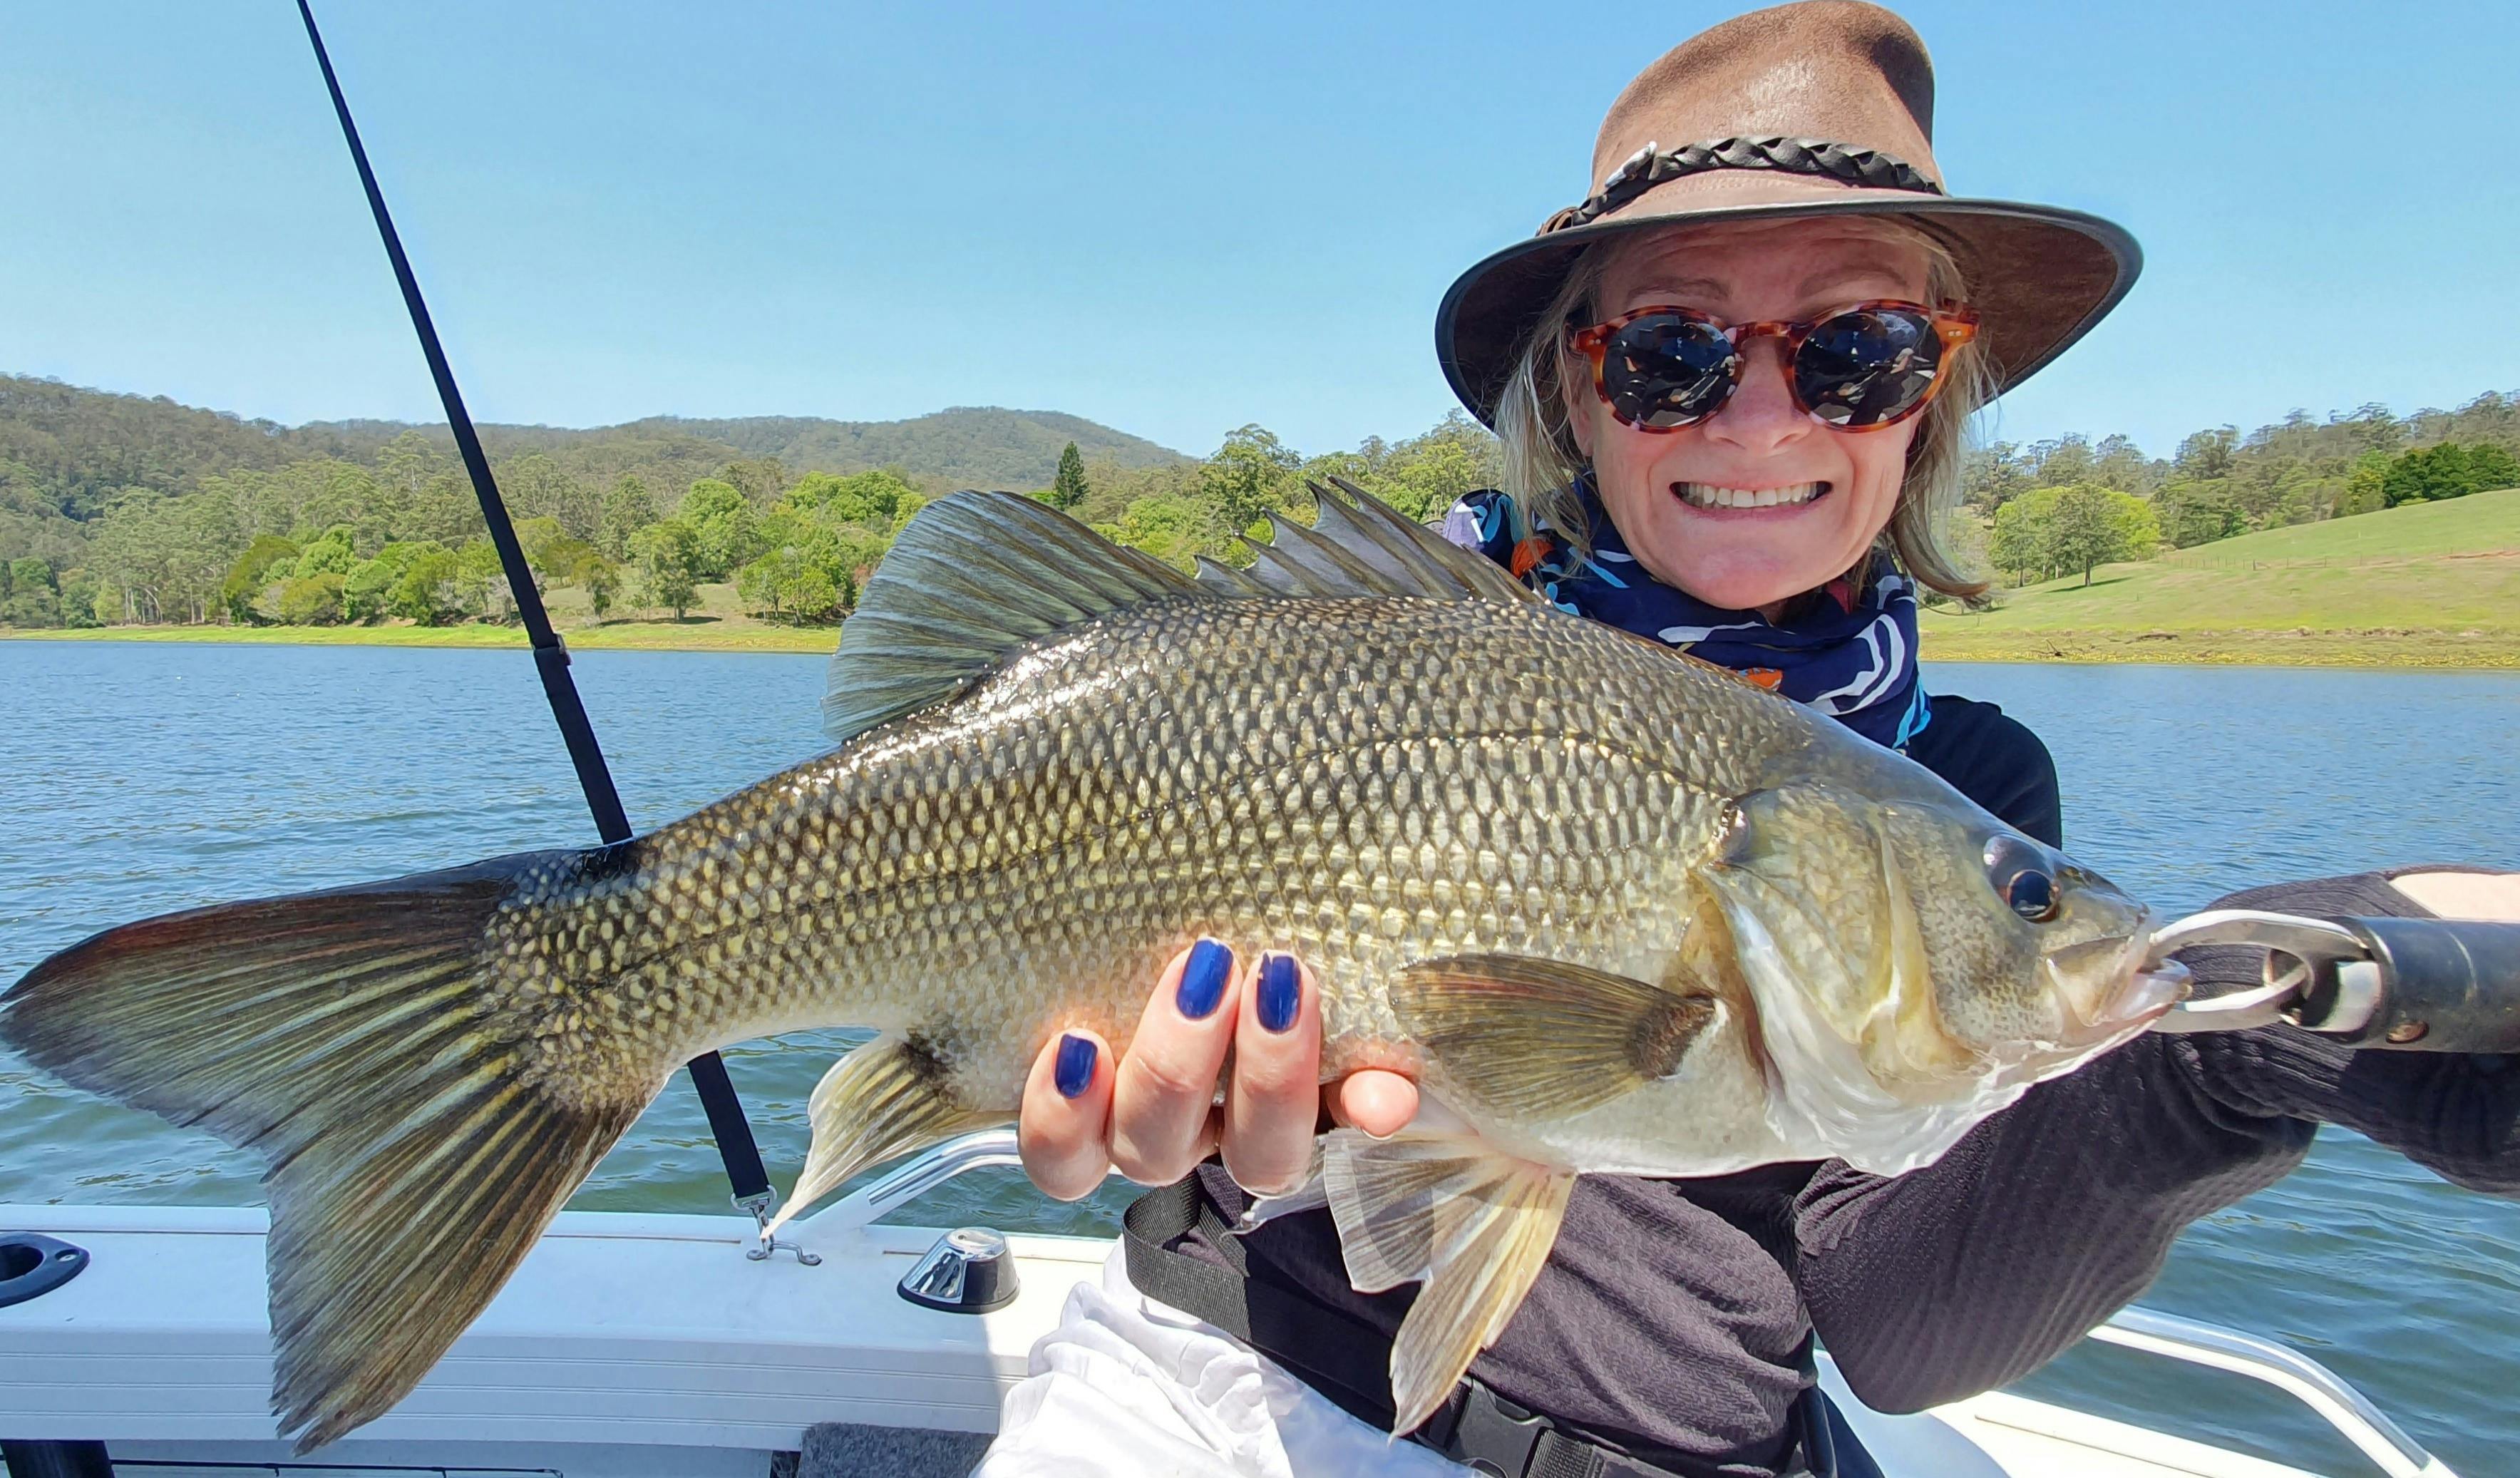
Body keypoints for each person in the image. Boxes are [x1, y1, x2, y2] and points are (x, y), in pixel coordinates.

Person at [976, 5, 2520, 1475]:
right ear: (1573, 394)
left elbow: (1904, 1321)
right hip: (1204, 1394)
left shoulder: (1964, 796)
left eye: (1858, 350)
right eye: (1672, 352)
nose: (1761, 418)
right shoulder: (1334, 675)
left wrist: (2250, 1041)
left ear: (1931, 398)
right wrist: (1089, 1093)